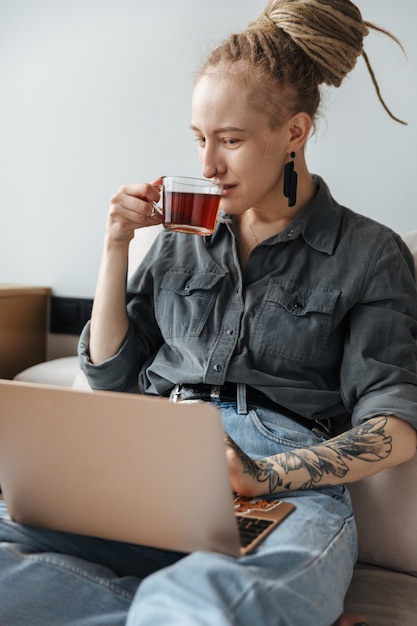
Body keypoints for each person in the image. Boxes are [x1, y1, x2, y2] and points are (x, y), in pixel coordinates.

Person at [0, 1, 416, 624]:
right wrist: (115, 246)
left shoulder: (369, 252)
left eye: (230, 140)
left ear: (294, 134)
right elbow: (112, 376)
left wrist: (262, 474)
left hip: (284, 485)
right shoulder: (177, 238)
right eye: (199, 139)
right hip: (149, 463)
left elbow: (396, 425)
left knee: (203, 603)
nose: (207, 166)